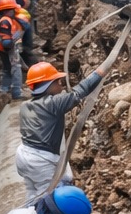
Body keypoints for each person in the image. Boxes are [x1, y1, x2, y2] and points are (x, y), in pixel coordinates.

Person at [15, 61, 106, 198]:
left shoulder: (25, 105)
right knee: (50, 197)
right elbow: (79, 92)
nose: (61, 85)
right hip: (39, 161)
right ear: (48, 85)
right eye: (57, 82)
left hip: (23, 155)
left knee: (33, 195)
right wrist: (98, 74)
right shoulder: (53, 103)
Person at [0, 0, 27, 99]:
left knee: (7, 68)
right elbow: (6, 41)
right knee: (15, 68)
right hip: (8, 48)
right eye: (13, 9)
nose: (14, 12)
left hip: (4, 48)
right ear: (8, 10)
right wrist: (14, 39)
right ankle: (17, 91)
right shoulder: (5, 21)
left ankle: (4, 88)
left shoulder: (9, 20)